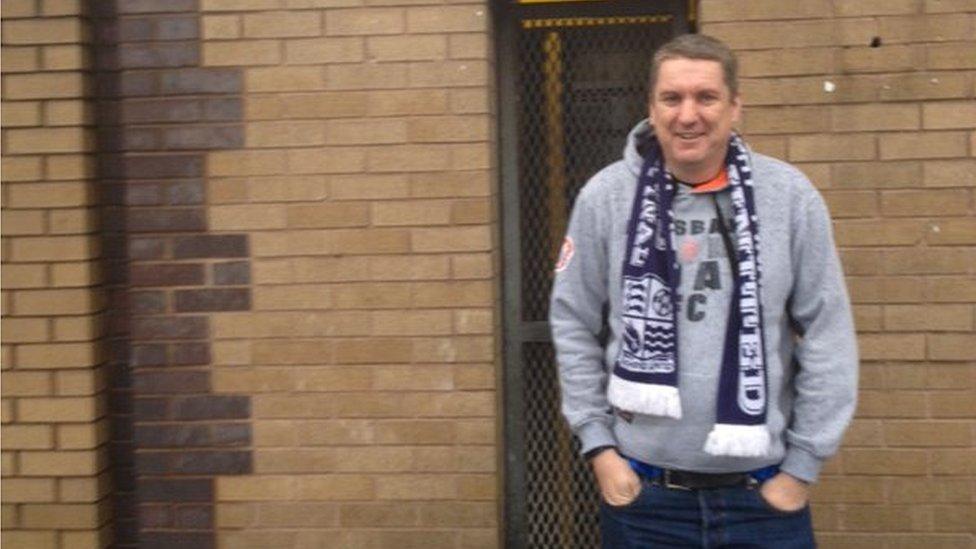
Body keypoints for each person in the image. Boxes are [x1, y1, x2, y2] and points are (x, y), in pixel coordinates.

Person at [550, 33, 858, 548]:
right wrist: (600, 450)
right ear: (651, 107)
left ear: (735, 106)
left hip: (763, 499)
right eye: (672, 98)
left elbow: (828, 332)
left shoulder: (789, 197)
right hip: (645, 498)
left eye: (706, 97)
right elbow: (572, 320)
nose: (687, 115)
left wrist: (801, 470)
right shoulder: (606, 197)